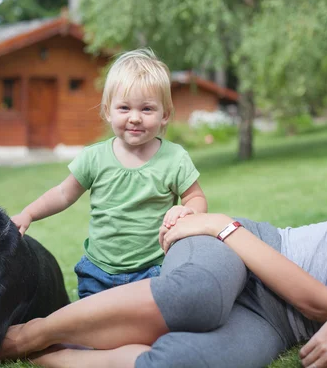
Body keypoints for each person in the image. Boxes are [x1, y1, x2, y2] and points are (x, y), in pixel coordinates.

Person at [0, 205, 327, 368]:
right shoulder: (233, 235)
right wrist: (222, 228)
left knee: (181, 364)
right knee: (196, 296)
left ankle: (55, 355)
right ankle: (32, 333)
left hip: (278, 322)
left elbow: (317, 304)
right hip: (248, 247)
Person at [11, 49, 207, 298]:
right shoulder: (94, 158)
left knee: (144, 331)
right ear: (107, 111)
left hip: (154, 271)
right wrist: (28, 214)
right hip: (99, 272)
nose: (135, 118)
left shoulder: (175, 158)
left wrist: (187, 209)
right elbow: (63, 194)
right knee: (94, 334)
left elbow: (196, 198)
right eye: (124, 108)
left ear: (165, 115)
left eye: (147, 109)